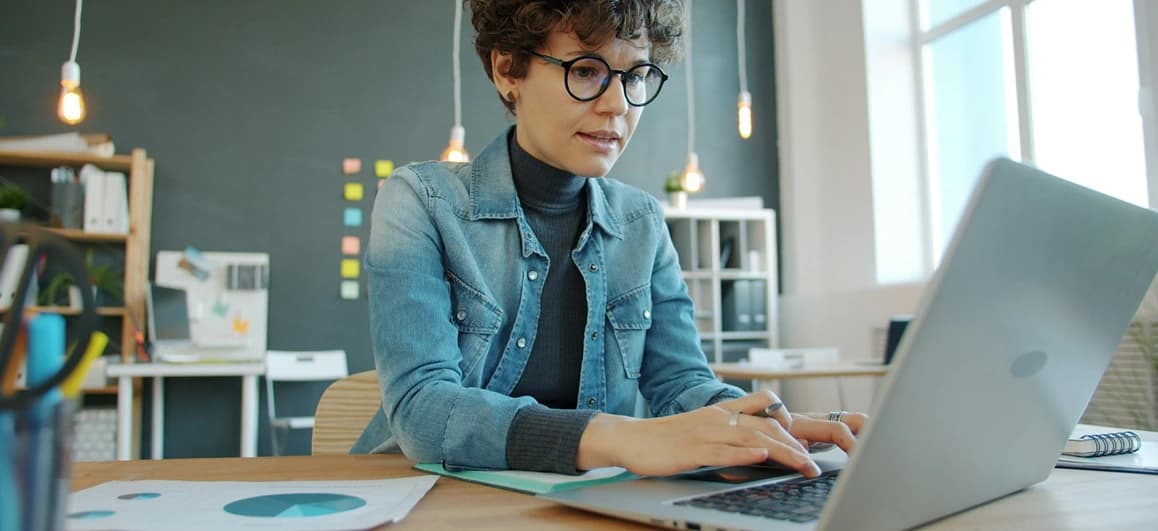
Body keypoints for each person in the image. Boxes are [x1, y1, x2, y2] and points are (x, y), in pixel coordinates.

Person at [352, 0, 866, 478]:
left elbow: (681, 384)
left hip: (582, 504)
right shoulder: (420, 200)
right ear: (508, 69)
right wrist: (624, 439)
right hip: (422, 498)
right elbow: (422, 406)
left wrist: (760, 425)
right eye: (587, 71)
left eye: (636, 75)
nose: (618, 104)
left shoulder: (641, 220)